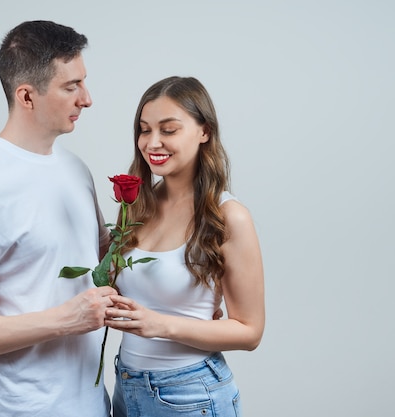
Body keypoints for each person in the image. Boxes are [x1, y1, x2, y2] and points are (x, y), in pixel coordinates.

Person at [0, 20, 117, 417]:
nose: (87, 99)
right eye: (71, 87)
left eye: (84, 82)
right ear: (26, 96)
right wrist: (64, 319)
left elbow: (103, 263)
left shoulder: (76, 169)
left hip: (94, 406)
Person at [104, 76, 265, 417]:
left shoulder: (229, 216)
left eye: (169, 129)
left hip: (190, 394)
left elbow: (250, 331)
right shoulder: (136, 207)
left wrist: (161, 325)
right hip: (126, 385)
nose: (152, 142)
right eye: (145, 130)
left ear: (204, 131)